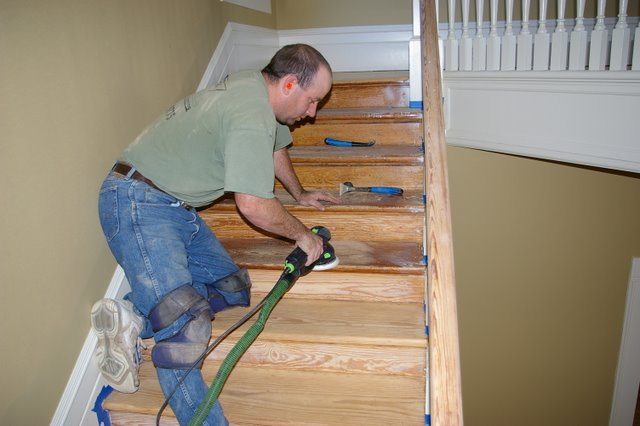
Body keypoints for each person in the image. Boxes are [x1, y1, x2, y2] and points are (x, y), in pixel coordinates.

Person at [90, 44, 339, 425]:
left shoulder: (256, 90)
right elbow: (253, 205)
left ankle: (135, 316)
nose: (312, 113)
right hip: (139, 202)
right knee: (186, 327)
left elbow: (274, 149)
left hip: (176, 208)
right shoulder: (250, 112)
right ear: (289, 84)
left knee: (232, 288)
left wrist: (299, 193)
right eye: (312, 100)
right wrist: (303, 236)